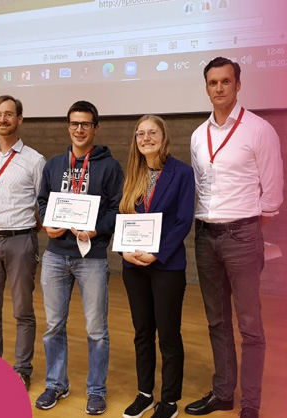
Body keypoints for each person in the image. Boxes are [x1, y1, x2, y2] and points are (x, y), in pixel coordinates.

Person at [185, 57, 283, 418]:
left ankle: (251, 404)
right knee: (217, 321)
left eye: (226, 81)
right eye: (213, 82)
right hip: (205, 236)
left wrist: (247, 230)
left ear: (238, 85)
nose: (219, 88)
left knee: (250, 326)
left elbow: (272, 196)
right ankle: (223, 393)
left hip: (242, 235)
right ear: (206, 88)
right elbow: (201, 187)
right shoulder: (199, 135)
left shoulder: (259, 130)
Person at [35, 101, 124, 415]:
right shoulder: (54, 165)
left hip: (92, 257)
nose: (79, 129)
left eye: (86, 124)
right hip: (56, 256)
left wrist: (97, 230)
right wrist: (48, 223)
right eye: (74, 123)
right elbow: (43, 201)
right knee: (53, 326)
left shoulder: (110, 167)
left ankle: (96, 391)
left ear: (96, 128)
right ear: (68, 126)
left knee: (96, 330)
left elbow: (117, 209)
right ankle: (56, 384)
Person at [120, 115, 195, 418]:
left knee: (168, 335)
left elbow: (183, 221)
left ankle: (170, 400)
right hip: (134, 266)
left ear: (164, 137)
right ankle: (145, 394)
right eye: (140, 134)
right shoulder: (133, 172)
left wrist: (157, 253)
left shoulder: (182, 173)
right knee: (142, 333)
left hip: (166, 265)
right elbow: (124, 215)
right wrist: (124, 250)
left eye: (152, 133)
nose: (146, 138)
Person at [0, 95, 45, 391]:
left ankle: (22, 369)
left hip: (20, 242)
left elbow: (42, 204)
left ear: (20, 120)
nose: (3, 119)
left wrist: (26, 232)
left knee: (23, 311)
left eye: (9, 114)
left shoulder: (34, 160)